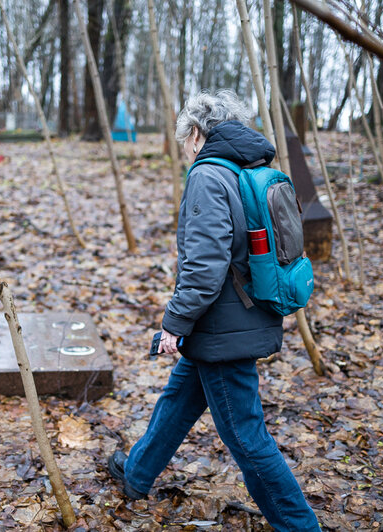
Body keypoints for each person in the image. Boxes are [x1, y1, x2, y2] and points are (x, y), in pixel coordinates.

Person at [107, 90, 320, 531]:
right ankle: (137, 472)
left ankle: (300, 526)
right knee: (180, 397)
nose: (185, 148)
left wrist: (173, 323)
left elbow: (205, 267)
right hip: (239, 316)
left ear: (199, 133)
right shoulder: (249, 166)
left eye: (185, 138)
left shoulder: (208, 174)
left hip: (223, 325)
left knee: (246, 436)